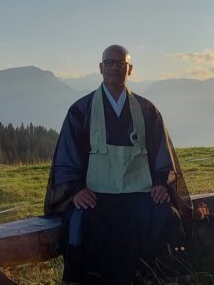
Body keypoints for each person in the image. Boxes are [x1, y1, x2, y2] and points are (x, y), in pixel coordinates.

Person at [44, 44, 192, 284]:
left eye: (120, 64)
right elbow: (67, 157)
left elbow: (162, 155)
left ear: (129, 69)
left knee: (165, 215)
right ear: (101, 68)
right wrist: (76, 190)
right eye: (109, 63)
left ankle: (154, 279)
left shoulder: (147, 110)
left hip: (140, 193)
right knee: (80, 222)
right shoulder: (81, 110)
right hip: (96, 195)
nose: (114, 68)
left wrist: (161, 184)